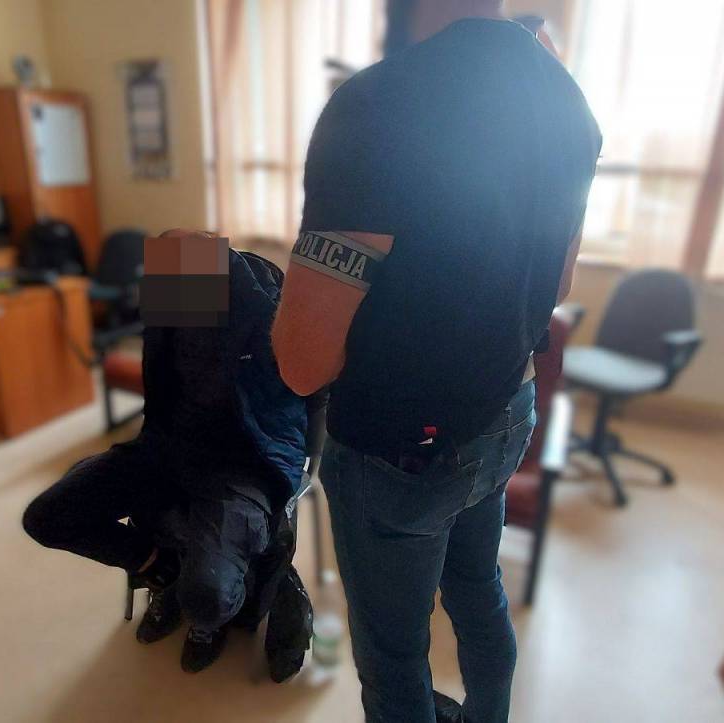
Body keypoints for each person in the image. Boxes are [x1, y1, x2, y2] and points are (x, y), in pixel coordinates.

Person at [271, 1, 601, 721]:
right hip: (507, 409)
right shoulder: (567, 102)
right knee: (479, 589)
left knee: (393, 656)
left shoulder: (378, 105)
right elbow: (559, 286)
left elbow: (301, 363)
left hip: (399, 450)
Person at [22, 240, 311, 673]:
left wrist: (221, 269)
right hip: (166, 448)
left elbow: (304, 405)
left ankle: (215, 613)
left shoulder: (268, 316)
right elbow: (159, 388)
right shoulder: (172, 308)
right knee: (45, 516)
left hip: (244, 464)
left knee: (208, 598)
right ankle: (163, 571)